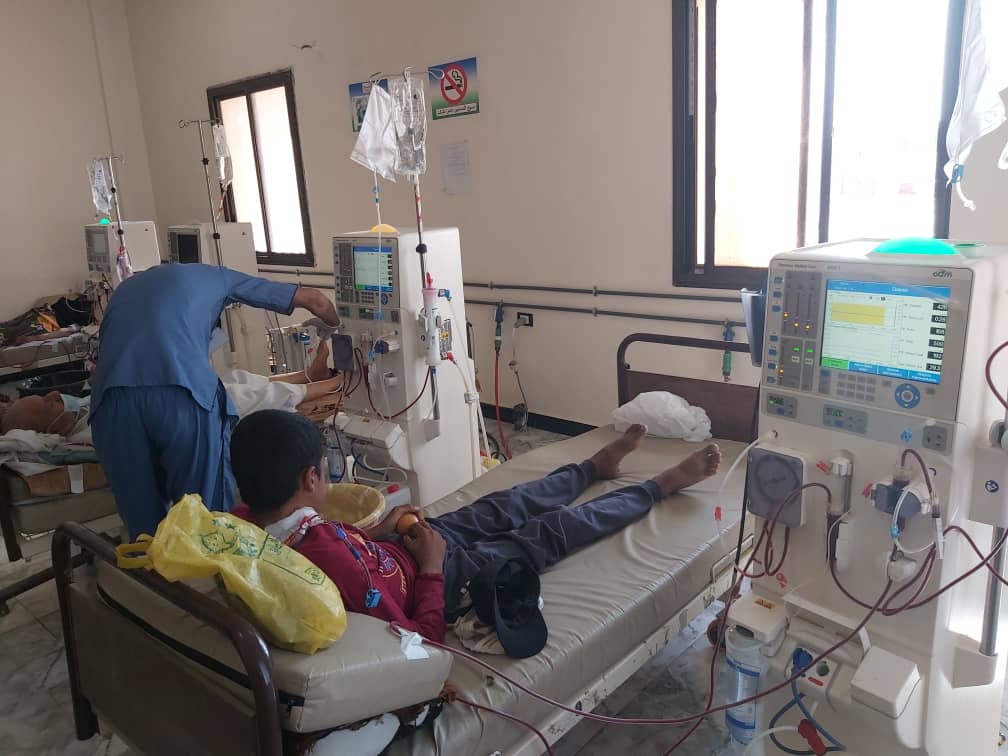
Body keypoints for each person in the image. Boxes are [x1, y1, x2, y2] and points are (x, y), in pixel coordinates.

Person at [229, 410, 722, 643]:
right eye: (325, 469)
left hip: (408, 547)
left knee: (505, 503)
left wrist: (385, 532)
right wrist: (432, 566)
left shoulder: (252, 524)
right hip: (445, 577)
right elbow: (419, 637)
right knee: (552, 530)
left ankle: (593, 468)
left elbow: (346, 550)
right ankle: (659, 486)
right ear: (310, 479)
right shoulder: (322, 555)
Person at [88, 263, 341, 539]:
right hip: (183, 396)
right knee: (207, 520)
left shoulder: (125, 290)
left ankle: (151, 571)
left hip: (109, 402)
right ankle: (212, 568)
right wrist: (335, 328)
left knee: (143, 527)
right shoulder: (216, 277)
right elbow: (316, 300)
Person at [0, 340, 343, 438]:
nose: (54, 396)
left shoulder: (86, 412)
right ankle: (335, 384)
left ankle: (309, 375)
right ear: (51, 426)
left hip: (165, 403)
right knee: (241, 397)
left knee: (234, 379)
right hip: (180, 419)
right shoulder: (86, 434)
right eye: (48, 404)